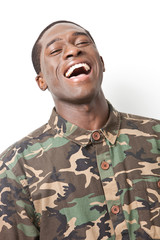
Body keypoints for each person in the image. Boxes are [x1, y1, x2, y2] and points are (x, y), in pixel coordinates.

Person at [0, 20, 160, 240]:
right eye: (56, 50)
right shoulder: (15, 168)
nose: (74, 50)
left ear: (101, 63)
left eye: (82, 42)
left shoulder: (156, 137)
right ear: (41, 81)